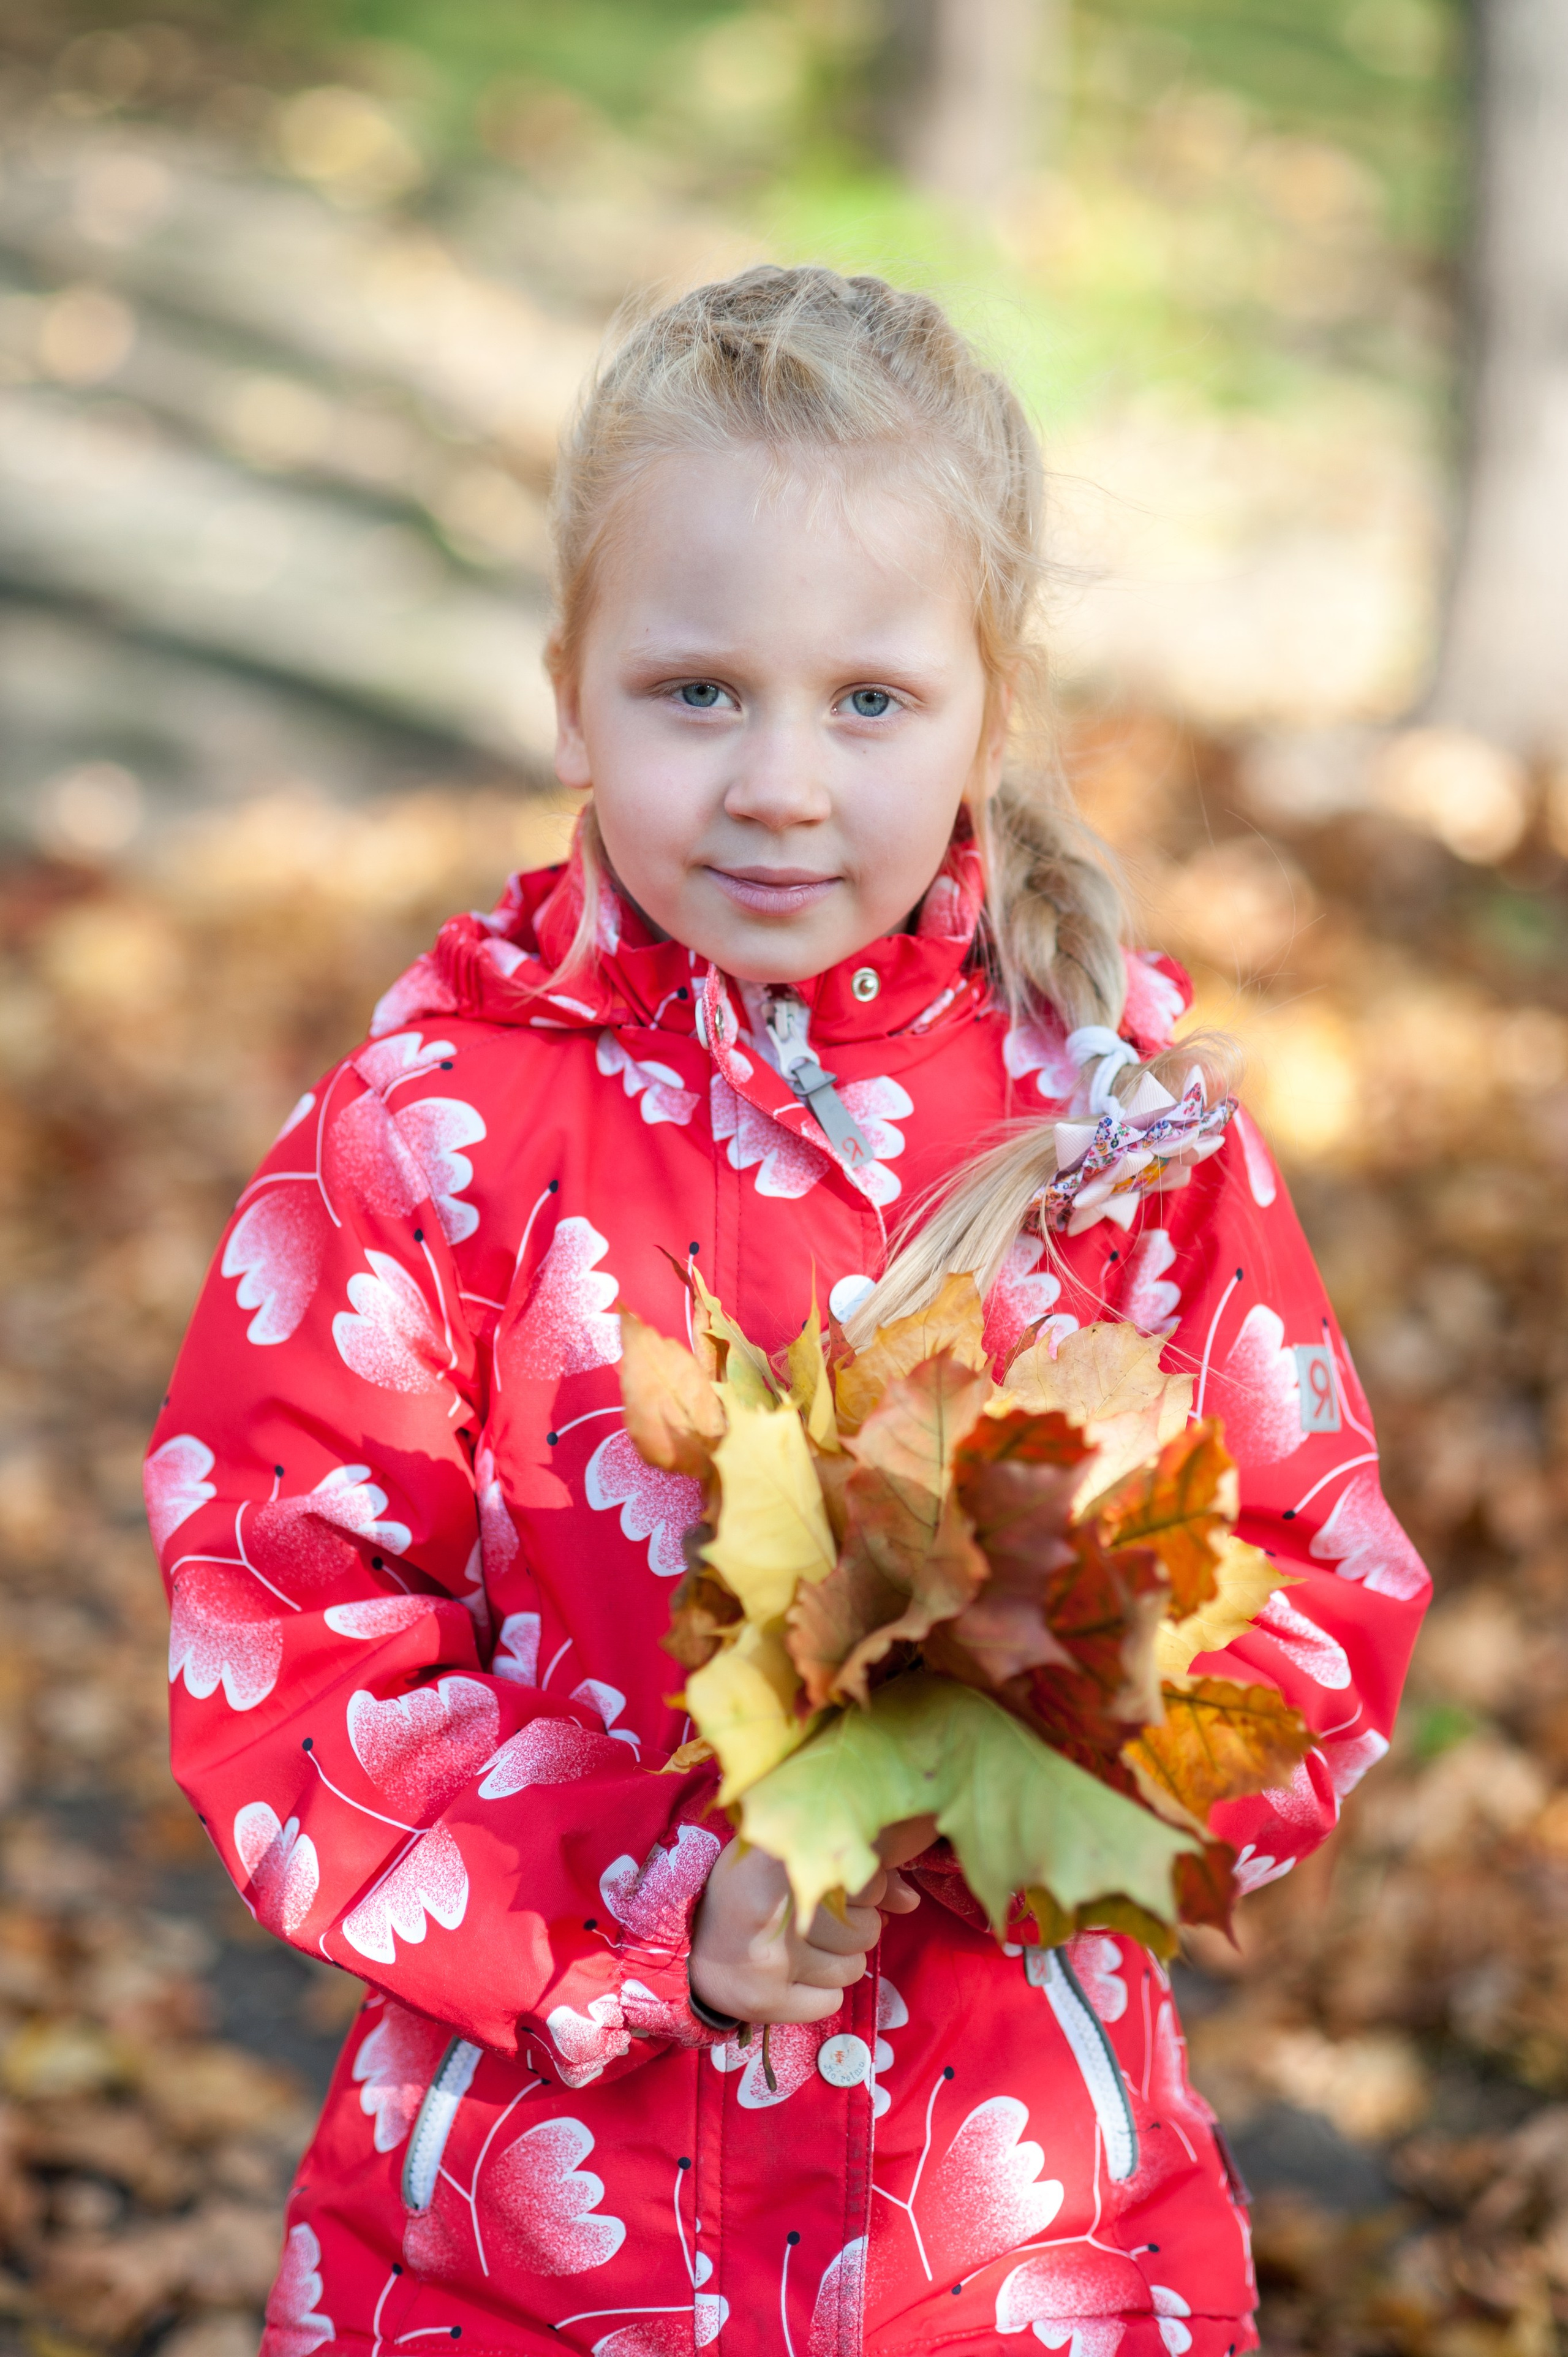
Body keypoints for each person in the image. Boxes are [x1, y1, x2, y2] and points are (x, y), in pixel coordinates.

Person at [145, 267, 1430, 2357]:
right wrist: (653, 1899)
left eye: (868, 702)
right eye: (695, 692)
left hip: (1008, 2232)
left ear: (988, 719)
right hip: (526, 2240)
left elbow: (1310, 1573)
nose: (777, 783)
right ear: (570, 694)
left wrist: (1048, 1742)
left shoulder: (1118, 1141)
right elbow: (288, 1616)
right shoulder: (427, 1134)